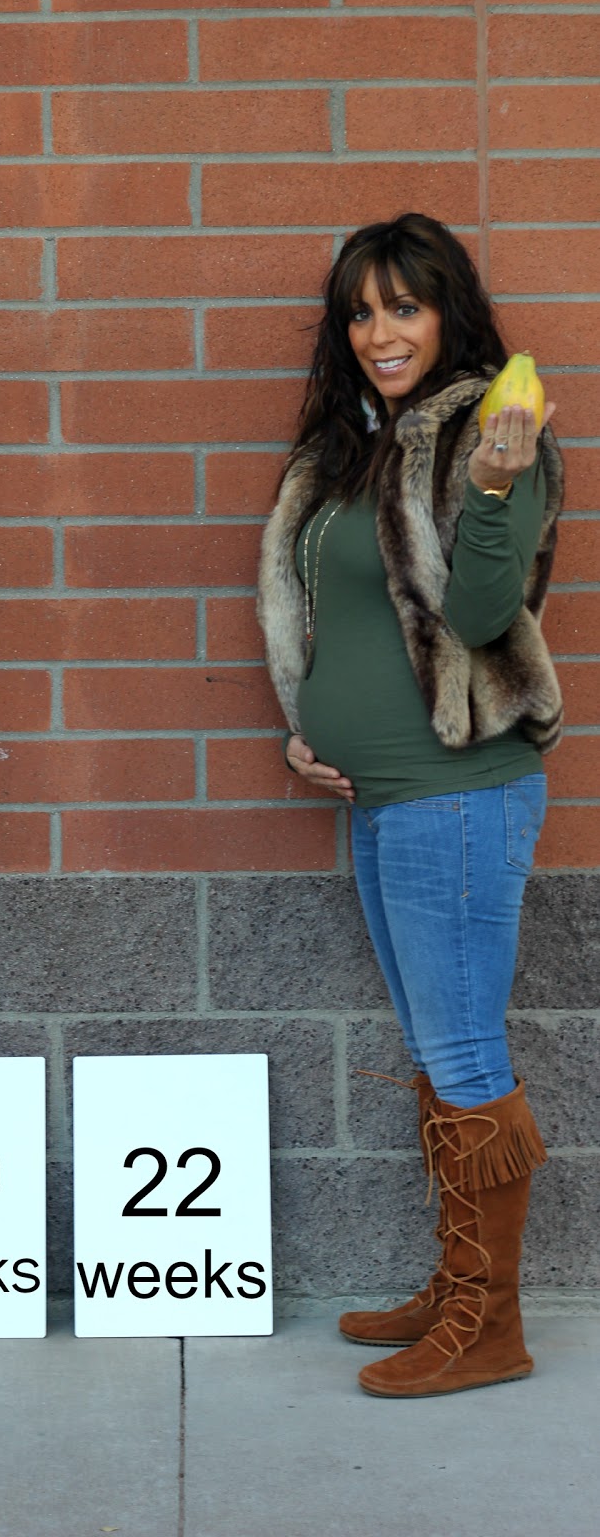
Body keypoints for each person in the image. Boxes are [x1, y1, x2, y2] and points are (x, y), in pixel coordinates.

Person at [257, 213, 562, 1400]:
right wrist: (306, 723)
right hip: (382, 800)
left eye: (402, 306)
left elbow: (480, 614)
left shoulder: (495, 432)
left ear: (447, 314)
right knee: (437, 1050)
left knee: (464, 1048)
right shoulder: (359, 445)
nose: (378, 332)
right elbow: (332, 616)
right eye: (359, 312)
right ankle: (457, 1283)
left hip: (458, 796)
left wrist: (490, 482)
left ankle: (490, 1323)